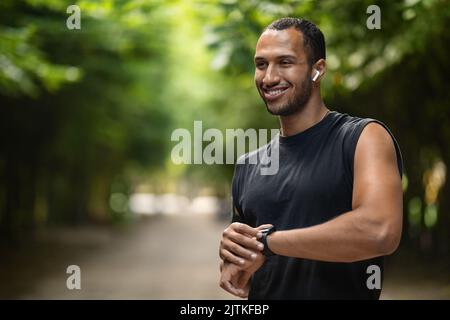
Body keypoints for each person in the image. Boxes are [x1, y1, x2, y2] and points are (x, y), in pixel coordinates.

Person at [218, 17, 403, 299]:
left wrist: (269, 242)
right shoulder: (248, 165)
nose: (269, 78)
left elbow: (380, 231)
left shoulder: (363, 138)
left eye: (285, 62)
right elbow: (246, 275)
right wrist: (236, 259)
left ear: (318, 70)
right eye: (261, 64)